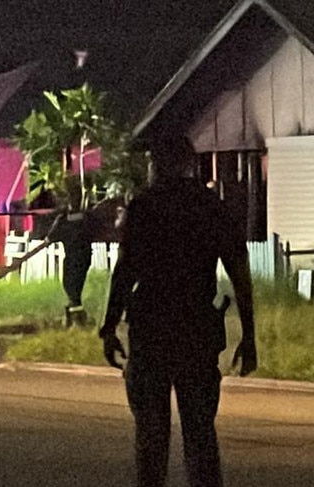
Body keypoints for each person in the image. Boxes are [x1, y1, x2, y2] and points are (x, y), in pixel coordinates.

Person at [98, 137, 257, 487]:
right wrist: (249, 335)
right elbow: (239, 273)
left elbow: (125, 271)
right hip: (197, 330)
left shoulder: (144, 207)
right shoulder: (209, 206)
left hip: (152, 330)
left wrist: (109, 326)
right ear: (190, 165)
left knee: (151, 440)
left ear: (160, 164)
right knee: (200, 436)